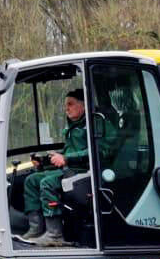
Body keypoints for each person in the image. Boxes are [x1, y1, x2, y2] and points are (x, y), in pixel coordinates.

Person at [19, 87, 110, 247]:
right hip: (71, 169)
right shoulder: (73, 126)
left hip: (86, 172)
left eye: (70, 104)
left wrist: (66, 158)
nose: (66, 108)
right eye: (65, 104)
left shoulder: (95, 124)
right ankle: (36, 229)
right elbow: (70, 151)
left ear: (83, 105)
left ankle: (55, 235)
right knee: (31, 180)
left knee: (47, 183)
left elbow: (100, 151)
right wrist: (48, 159)